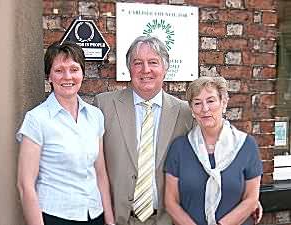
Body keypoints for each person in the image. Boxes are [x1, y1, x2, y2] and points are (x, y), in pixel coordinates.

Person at [94, 36, 194, 225]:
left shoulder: (185, 112)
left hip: (167, 220)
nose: (145, 70)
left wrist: (247, 195)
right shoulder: (104, 105)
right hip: (117, 219)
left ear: (165, 68)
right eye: (137, 63)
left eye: (153, 62)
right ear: (129, 68)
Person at [16, 41, 115, 225]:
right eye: (59, 70)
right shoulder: (37, 119)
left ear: (83, 74)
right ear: (49, 77)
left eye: (74, 69)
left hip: (95, 215)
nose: (67, 76)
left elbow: (100, 173)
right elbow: (25, 185)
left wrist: (109, 220)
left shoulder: (95, 116)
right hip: (56, 217)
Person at [164, 76, 263, 225]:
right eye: (197, 103)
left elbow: (251, 199)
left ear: (223, 103)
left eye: (211, 101)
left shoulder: (246, 145)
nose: (205, 109)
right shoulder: (179, 148)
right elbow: (171, 202)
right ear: (192, 110)